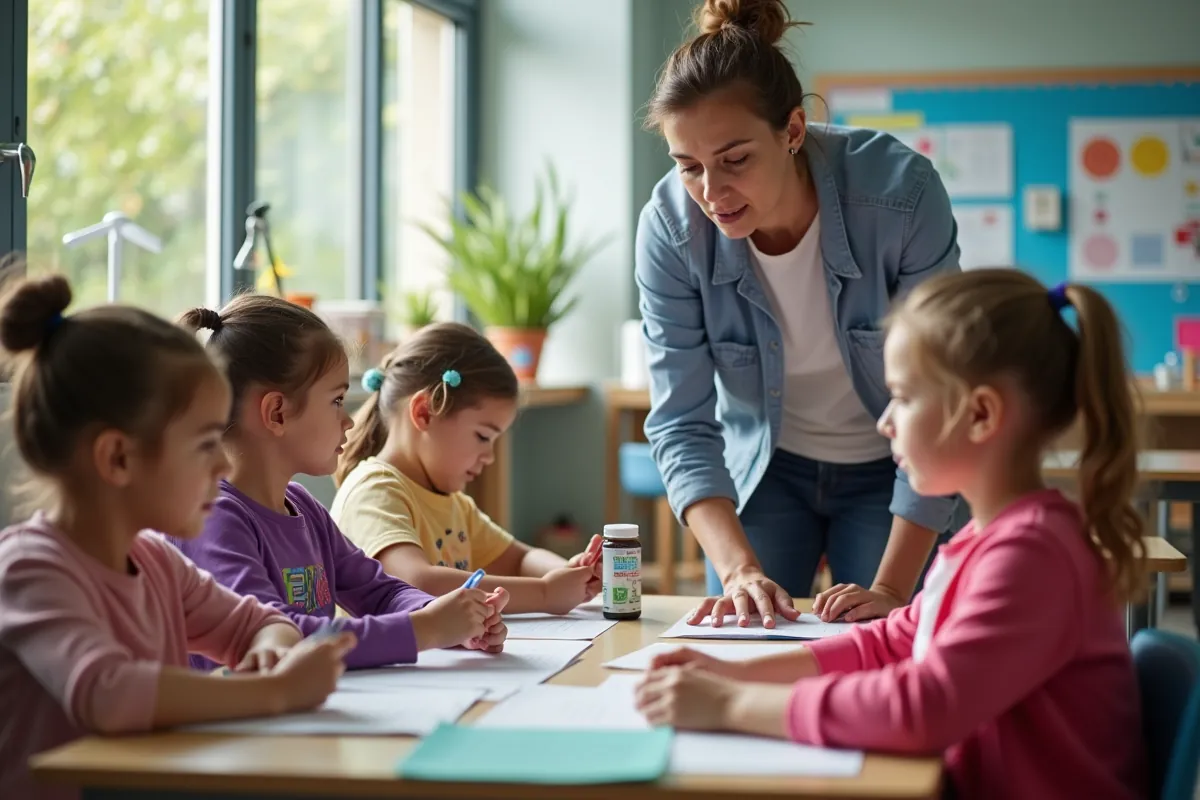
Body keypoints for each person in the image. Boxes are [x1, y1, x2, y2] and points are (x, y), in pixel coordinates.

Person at [635, 270, 1148, 800]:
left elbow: (924, 708)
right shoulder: (987, 539)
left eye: (902, 397)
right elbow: (891, 641)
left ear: (980, 414)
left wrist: (729, 705)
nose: (885, 423)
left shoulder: (1031, 556)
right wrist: (731, 674)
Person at [636, 0, 966, 628]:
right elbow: (681, 423)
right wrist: (739, 570)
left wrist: (892, 590)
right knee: (747, 632)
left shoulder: (902, 196)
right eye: (688, 167)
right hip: (765, 469)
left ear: (792, 130)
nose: (712, 192)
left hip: (896, 464)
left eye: (735, 159)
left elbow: (942, 397)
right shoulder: (670, 230)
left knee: (890, 639)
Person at [0, 273, 353, 800]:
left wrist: (270, 651)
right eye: (205, 444)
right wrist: (274, 691)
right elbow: (108, 693)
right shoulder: (31, 570)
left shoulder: (158, 562)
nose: (222, 465)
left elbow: (262, 622)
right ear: (119, 458)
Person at [173, 296, 508, 671]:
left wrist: (448, 616)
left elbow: (379, 591)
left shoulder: (303, 506)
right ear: (277, 413)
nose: (348, 421)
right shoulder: (213, 518)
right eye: (337, 400)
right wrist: (426, 629)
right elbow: (276, 638)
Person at [331, 322, 603, 614]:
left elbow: (520, 560)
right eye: (483, 437)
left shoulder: (454, 505)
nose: (490, 456)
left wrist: (569, 573)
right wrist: (545, 593)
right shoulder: (373, 492)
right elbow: (416, 583)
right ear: (424, 413)